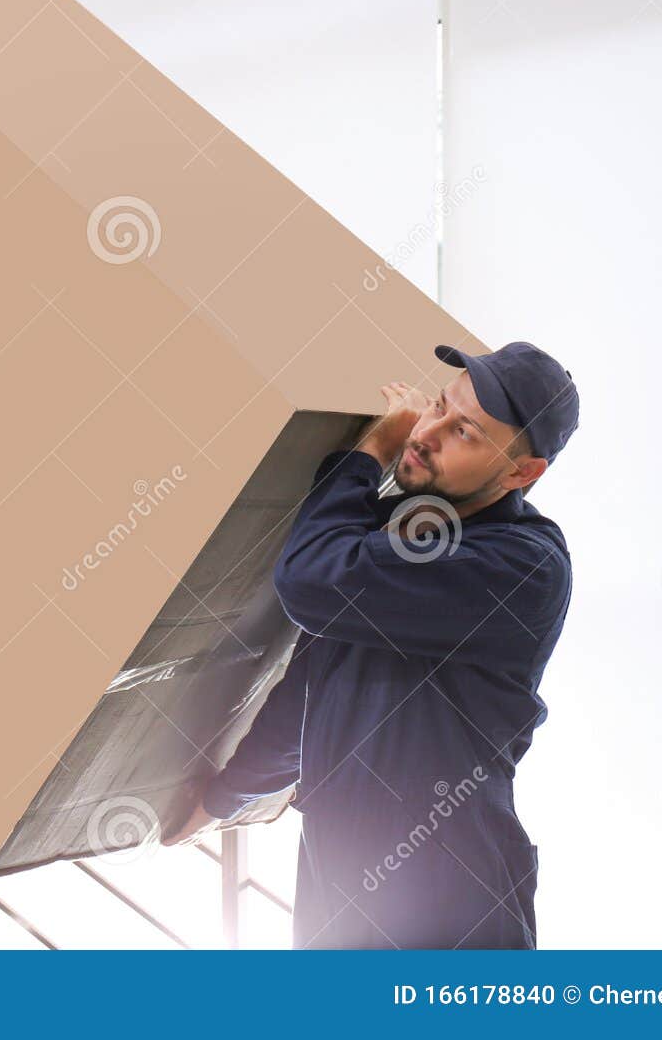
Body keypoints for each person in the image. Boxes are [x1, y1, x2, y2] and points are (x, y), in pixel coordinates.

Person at [164, 341, 580, 948]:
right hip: (336, 892)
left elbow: (308, 581)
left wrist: (372, 451)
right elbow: (311, 689)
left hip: (450, 906)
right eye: (439, 404)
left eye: (463, 430)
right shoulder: (401, 534)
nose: (426, 431)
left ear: (523, 473)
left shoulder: (519, 564)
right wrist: (217, 802)